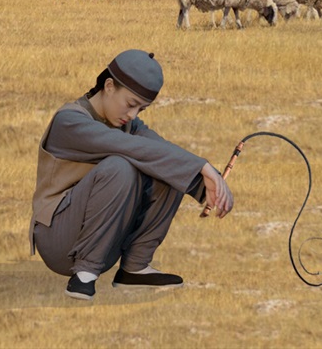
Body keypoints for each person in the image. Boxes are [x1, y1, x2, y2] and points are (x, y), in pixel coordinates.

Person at [29, 49, 233, 301]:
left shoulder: (128, 126)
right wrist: (203, 167)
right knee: (122, 166)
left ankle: (134, 268)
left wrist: (209, 187)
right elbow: (128, 147)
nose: (132, 115)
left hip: (105, 241)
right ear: (109, 86)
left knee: (167, 166)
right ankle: (84, 275)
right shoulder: (69, 121)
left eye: (141, 109)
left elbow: (164, 153)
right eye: (130, 104)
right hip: (57, 240)